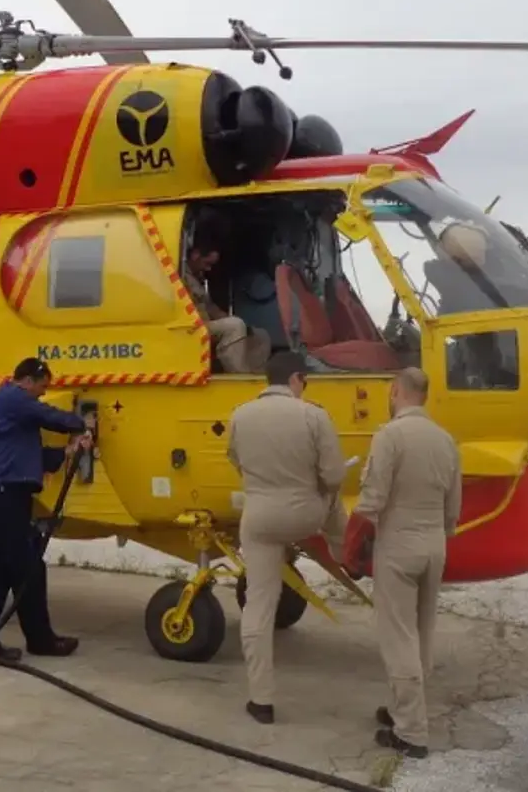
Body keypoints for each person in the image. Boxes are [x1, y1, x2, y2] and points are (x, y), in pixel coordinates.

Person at [225, 349, 350, 724]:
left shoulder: (240, 415)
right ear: (296, 379)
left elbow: (235, 460)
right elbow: (333, 477)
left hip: (259, 518)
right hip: (304, 516)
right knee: (334, 498)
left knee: (259, 606)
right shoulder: (314, 415)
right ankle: (346, 557)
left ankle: (261, 701)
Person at [345, 366, 462, 758]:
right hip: (434, 544)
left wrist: (351, 543)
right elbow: (454, 509)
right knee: (422, 631)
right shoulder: (446, 440)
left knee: (398, 638)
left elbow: (372, 500)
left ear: (396, 391)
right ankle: (402, 709)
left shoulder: (389, 436)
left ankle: (411, 732)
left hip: (399, 544)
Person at [0, 356, 95, 661]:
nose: (41, 393)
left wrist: (68, 451)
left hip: (0, 494)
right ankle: (41, 641)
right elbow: (45, 414)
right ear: (27, 380)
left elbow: (29, 453)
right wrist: (82, 423)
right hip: (5, 495)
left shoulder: (9, 413)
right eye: (41, 386)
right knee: (29, 569)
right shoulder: (11, 396)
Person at [184, 239, 272, 373]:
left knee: (260, 334)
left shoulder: (198, 277)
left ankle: (254, 375)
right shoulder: (181, 276)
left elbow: (211, 307)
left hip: (206, 324)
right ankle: (237, 374)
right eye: (207, 263)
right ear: (196, 255)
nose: (209, 269)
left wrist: (235, 320)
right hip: (191, 327)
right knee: (234, 326)